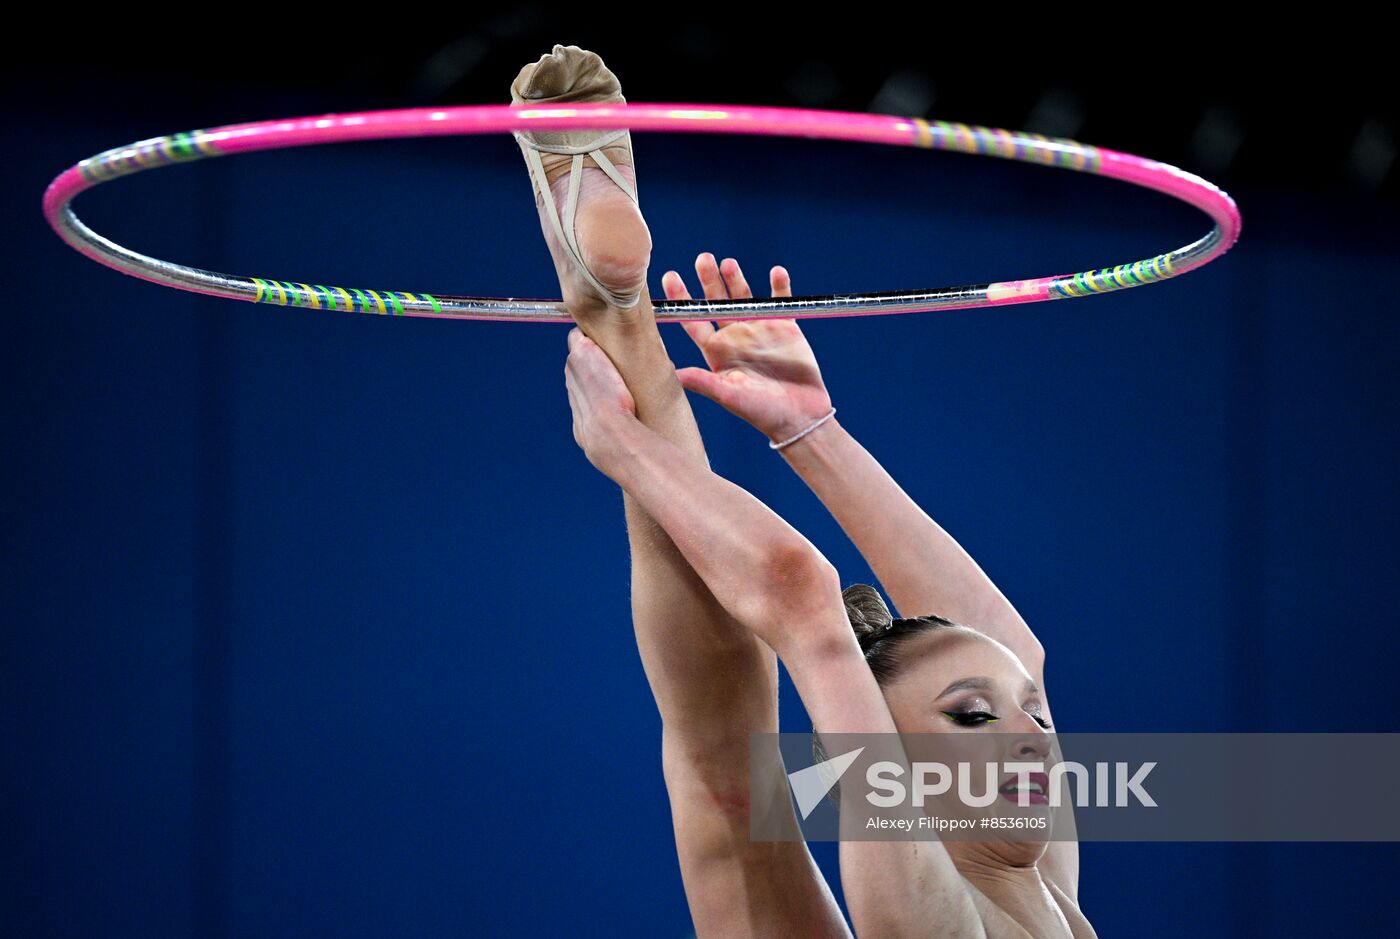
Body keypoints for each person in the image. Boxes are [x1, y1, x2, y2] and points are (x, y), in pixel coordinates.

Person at [511, 45, 1095, 938]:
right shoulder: (1011, 901)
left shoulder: (1009, 895)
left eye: (1028, 718)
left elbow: (837, 604)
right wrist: (808, 430)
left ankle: (613, 310)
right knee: (732, 783)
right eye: (979, 718)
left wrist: (633, 450)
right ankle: (612, 305)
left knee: (731, 784)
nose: (1032, 734)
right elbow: (990, 640)